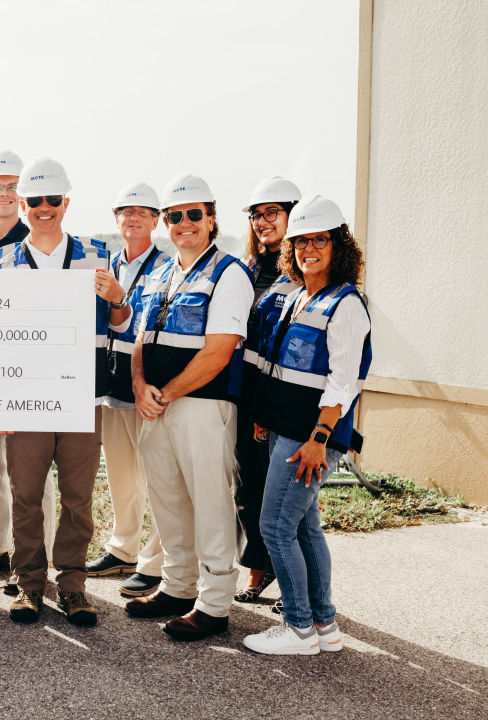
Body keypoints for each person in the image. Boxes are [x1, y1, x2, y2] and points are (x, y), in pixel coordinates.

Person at [125, 173, 254, 641]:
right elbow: (140, 337)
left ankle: (214, 604)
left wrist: (168, 392)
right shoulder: (161, 272)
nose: (184, 223)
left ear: (211, 218)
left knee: (211, 504)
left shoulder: (229, 272)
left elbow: (219, 350)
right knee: (168, 501)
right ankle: (177, 586)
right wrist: (141, 386)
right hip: (156, 405)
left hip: (201, 406)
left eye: (193, 214)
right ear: (165, 221)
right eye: (175, 216)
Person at [243, 196, 370, 655]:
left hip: (310, 438)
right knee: (304, 527)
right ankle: (325, 626)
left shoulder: (346, 304)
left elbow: (344, 382)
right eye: (301, 242)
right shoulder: (299, 295)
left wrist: (320, 440)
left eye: (319, 240)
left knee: (275, 525)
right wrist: (266, 420)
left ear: (339, 246)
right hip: (286, 430)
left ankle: (299, 629)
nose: (308, 249)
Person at [0, 157, 110, 627]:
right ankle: (29, 584)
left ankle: (74, 584)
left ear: (66, 202)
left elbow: (119, 324)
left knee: (78, 496)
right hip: (27, 398)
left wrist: (118, 300)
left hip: (83, 396)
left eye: (52, 200)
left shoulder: (98, 254)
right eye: (34, 201)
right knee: (26, 495)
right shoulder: (1, 260)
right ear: (22, 204)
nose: (44, 208)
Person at [0, 150, 56, 589]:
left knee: (32, 468)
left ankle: (40, 555)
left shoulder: (38, 242)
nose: (4, 194)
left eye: (12, 186)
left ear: (23, 196)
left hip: (26, 372)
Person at [87, 182, 168, 599]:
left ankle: (157, 563)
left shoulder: (167, 268)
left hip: (145, 384)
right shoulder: (101, 263)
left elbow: (156, 327)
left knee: (157, 477)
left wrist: (121, 300)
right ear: (116, 218)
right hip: (110, 382)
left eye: (143, 211)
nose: (133, 218)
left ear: (156, 220)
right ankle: (123, 549)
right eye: (126, 211)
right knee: (120, 473)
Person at [234, 176, 302, 605]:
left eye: (272, 212)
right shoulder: (246, 269)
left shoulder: (305, 271)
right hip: (245, 394)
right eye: (257, 215)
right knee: (250, 488)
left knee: (291, 498)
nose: (262, 222)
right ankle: (258, 572)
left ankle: (298, 583)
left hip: (285, 401)